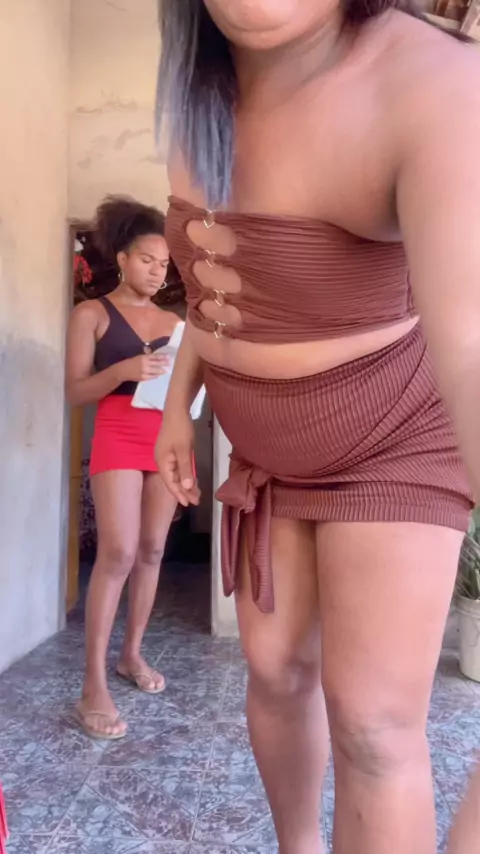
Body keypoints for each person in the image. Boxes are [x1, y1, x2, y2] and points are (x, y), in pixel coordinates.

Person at [154, 2, 480, 853]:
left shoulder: (437, 84)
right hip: (262, 451)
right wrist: (180, 406)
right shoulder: (195, 84)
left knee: (372, 724)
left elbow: (472, 343)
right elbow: (211, 284)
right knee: (274, 674)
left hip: (394, 437)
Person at [66, 196, 179, 740]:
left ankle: (131, 655)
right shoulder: (90, 314)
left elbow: (181, 390)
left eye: (165, 264)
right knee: (118, 551)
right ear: (123, 259)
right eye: (148, 260)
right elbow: (74, 391)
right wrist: (124, 370)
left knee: (153, 549)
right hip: (117, 429)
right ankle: (92, 684)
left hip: (165, 434)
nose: (158, 272)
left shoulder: (174, 322)